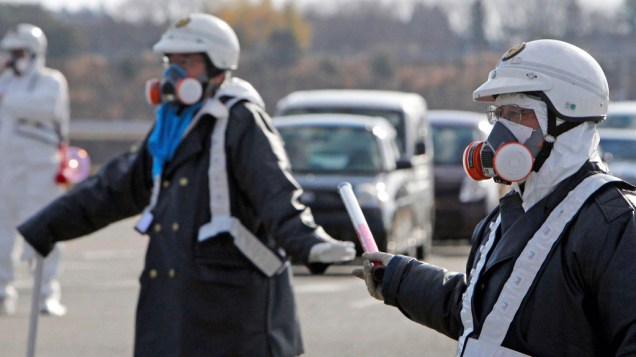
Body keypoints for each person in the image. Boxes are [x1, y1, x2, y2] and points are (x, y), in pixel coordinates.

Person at [18, 13, 355, 356]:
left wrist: (309, 243)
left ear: (218, 68)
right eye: (170, 62)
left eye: (188, 62)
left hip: (234, 318)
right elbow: (113, 187)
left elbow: (275, 192)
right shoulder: (170, 128)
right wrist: (46, 226)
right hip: (173, 313)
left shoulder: (240, 121)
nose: (173, 74)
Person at [354, 39, 636, 356]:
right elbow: (480, 318)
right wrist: (398, 277)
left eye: (516, 113)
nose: (501, 130)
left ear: (566, 120)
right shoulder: (506, 214)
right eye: (499, 114)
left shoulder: (615, 222)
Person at [0, 24, 70, 316]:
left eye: (17, 54)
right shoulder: (6, 82)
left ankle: (46, 293)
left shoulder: (50, 81)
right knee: (2, 233)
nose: (12, 60)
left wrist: (6, 97)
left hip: (40, 172)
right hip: (6, 169)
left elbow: (41, 107)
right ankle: (2, 289)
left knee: (43, 230)